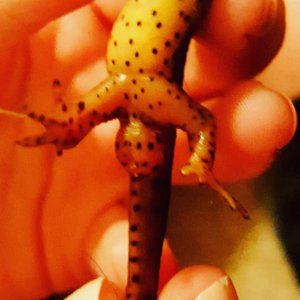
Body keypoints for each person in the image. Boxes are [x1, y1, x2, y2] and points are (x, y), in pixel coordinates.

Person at [0, 0, 297, 299]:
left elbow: (202, 122)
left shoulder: (132, 96)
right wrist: (200, 161)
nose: (137, 163)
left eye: (133, 160)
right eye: (139, 162)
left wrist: (200, 161)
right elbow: (202, 122)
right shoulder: (139, 97)